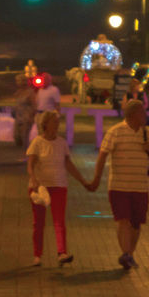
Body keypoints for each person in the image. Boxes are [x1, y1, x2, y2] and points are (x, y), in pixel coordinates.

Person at [88, 100, 149, 269]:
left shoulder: (146, 133)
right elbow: (102, 155)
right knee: (122, 220)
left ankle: (129, 254)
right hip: (119, 185)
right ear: (134, 114)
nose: (145, 115)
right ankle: (126, 253)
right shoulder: (116, 132)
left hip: (140, 186)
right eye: (143, 113)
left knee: (136, 223)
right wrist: (97, 179)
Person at [27, 110, 90, 266]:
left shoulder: (62, 143)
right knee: (39, 222)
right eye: (54, 121)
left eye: (58, 121)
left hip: (59, 185)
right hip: (41, 187)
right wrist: (33, 179)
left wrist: (82, 179)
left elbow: (68, 163)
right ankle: (37, 255)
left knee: (59, 221)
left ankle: (62, 253)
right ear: (46, 124)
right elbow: (31, 164)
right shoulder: (37, 142)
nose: (57, 124)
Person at [13, 82, 37, 148]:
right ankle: (23, 148)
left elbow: (34, 105)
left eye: (18, 81)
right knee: (16, 135)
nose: (17, 83)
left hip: (26, 116)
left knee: (25, 135)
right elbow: (15, 96)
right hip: (19, 116)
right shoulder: (20, 91)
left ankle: (26, 152)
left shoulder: (29, 92)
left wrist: (31, 116)